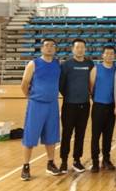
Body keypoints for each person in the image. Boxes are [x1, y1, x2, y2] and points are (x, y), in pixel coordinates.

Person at [20, 38, 61, 180]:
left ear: (55, 49)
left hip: (52, 104)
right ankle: (26, 166)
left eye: (52, 46)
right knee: (30, 135)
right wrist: (30, 97)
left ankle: (50, 163)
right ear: (42, 48)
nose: (49, 48)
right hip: (36, 104)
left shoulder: (57, 64)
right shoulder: (33, 64)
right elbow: (24, 84)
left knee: (51, 135)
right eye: (46, 45)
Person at [59, 38, 94, 173]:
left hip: (84, 105)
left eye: (82, 47)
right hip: (69, 105)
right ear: (73, 49)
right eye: (77, 47)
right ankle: (63, 161)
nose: (80, 49)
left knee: (80, 134)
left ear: (85, 49)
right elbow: (61, 85)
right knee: (66, 134)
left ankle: (77, 160)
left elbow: (92, 82)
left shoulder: (89, 64)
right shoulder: (66, 65)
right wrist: (70, 96)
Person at [89, 45, 116, 172]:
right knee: (96, 136)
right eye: (107, 53)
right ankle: (95, 161)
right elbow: (91, 87)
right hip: (98, 106)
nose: (109, 55)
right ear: (103, 55)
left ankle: (106, 159)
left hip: (111, 106)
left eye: (112, 53)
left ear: (114, 56)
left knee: (108, 135)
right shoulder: (96, 69)